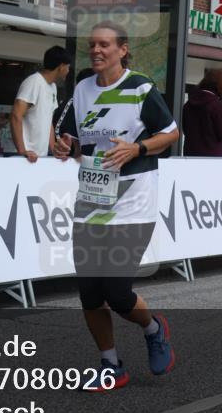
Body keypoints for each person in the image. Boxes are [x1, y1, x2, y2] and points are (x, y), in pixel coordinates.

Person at [54, 21, 179, 392]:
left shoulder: (140, 87)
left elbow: (171, 133)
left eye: (104, 44)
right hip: (91, 202)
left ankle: (153, 328)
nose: (96, 50)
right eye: (92, 44)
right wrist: (64, 146)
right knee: (90, 293)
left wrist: (137, 148)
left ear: (122, 49)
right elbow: (71, 138)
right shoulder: (82, 89)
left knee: (117, 291)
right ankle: (110, 365)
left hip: (134, 203)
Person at [11, 46, 71, 162]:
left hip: (39, 157)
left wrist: (54, 150)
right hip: (24, 158)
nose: (68, 71)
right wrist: (22, 151)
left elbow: (48, 121)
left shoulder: (53, 87)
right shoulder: (34, 82)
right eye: (68, 67)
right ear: (61, 66)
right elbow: (15, 115)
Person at [182, 69, 222, 157]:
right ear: (221, 85)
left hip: (190, 153)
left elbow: (185, 129)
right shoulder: (217, 105)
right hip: (211, 156)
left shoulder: (188, 104)